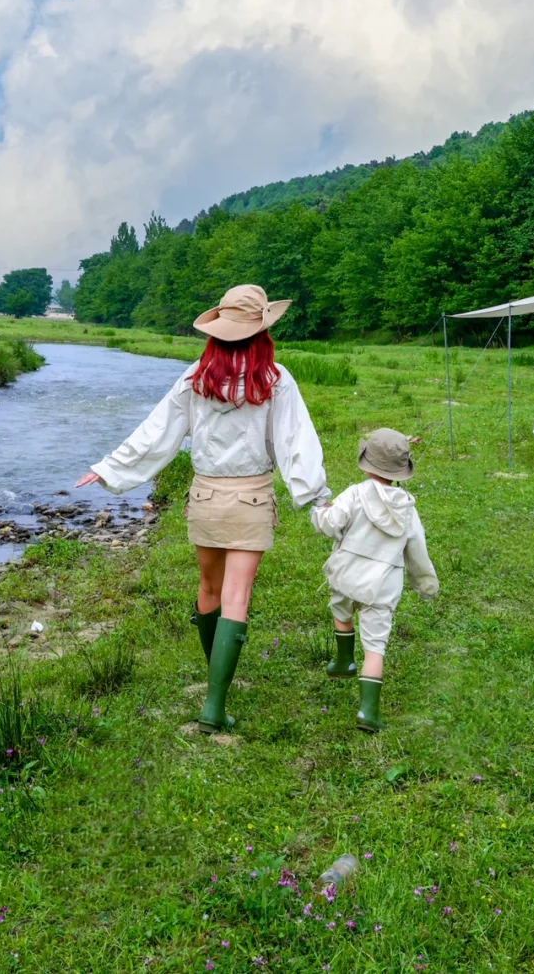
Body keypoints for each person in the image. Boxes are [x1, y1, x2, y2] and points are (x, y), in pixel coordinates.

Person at [76, 284, 329, 734]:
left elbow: (158, 432)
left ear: (217, 332)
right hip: (251, 498)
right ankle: (215, 705)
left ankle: (214, 684)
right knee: (237, 598)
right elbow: (296, 443)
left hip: (205, 498)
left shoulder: (197, 375)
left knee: (209, 589)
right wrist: (315, 498)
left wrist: (110, 467)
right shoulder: (275, 378)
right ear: (262, 332)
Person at [310, 427, 438, 733]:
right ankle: (368, 711)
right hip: (382, 585)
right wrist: (425, 583)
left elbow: (331, 523)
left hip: (346, 575)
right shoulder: (407, 507)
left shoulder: (354, 493)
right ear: (400, 473)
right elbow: (416, 548)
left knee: (341, 612)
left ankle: (343, 661)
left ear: (367, 463)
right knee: (375, 647)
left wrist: (318, 511)